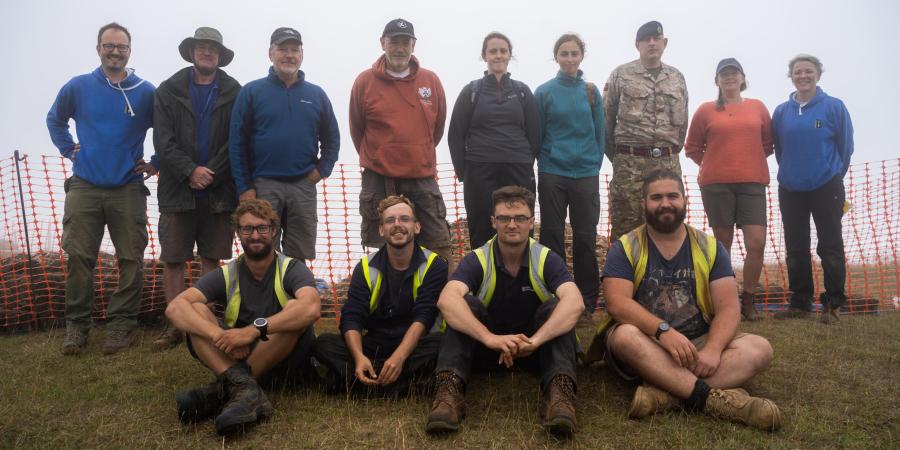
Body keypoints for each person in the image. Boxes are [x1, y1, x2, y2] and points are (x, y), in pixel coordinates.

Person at [588, 169, 782, 431]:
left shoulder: (709, 246)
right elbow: (617, 304)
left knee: (760, 349)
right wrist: (663, 332)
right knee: (624, 336)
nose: (665, 203)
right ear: (644, 203)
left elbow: (728, 309)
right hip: (648, 342)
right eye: (656, 197)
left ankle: (665, 396)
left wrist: (713, 350)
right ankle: (712, 400)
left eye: (672, 196)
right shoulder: (625, 247)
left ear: (684, 200)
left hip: (698, 343)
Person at [425, 186, 583, 435]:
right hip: (488, 350)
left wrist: (535, 341)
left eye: (520, 218)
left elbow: (575, 302)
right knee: (465, 304)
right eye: (504, 218)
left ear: (531, 223)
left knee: (557, 307)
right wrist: (490, 338)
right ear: (493, 222)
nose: (512, 224)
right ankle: (447, 395)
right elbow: (447, 299)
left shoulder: (546, 258)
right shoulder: (478, 258)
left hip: (536, 350)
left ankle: (560, 397)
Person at [47, 22, 158, 356]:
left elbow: (168, 130)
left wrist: (156, 162)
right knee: (80, 257)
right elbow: (55, 119)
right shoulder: (78, 87)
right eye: (109, 46)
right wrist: (68, 148)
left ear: (129, 51)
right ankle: (76, 328)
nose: (115, 51)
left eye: (121, 46)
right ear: (98, 49)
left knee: (131, 259)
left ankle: (122, 326)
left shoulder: (145, 91)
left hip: (127, 187)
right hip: (84, 185)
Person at [165, 199, 321, 436]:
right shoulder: (228, 272)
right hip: (237, 354)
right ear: (238, 233)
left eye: (262, 228)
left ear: (273, 230)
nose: (255, 235)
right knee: (194, 311)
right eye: (247, 229)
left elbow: (311, 308)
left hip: (284, 360)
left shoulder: (291, 268)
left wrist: (252, 331)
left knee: (293, 311)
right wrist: (220, 336)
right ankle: (245, 390)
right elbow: (175, 308)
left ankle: (224, 390)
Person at [152, 27, 242, 350]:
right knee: (174, 258)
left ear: (220, 56)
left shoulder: (235, 91)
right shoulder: (167, 90)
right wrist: (190, 170)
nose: (206, 53)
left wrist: (210, 173)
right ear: (192, 53)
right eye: (201, 48)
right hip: (177, 188)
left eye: (212, 49)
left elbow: (236, 140)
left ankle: (205, 323)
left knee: (211, 258)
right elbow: (162, 141)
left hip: (218, 192)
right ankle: (175, 325)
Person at [313, 195, 447, 394]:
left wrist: (399, 357)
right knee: (324, 344)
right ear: (381, 229)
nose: (397, 225)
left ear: (417, 227)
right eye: (390, 220)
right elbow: (352, 316)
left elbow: (424, 315)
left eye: (404, 219)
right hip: (376, 345)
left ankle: (362, 384)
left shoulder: (434, 264)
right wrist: (358, 357)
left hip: (416, 344)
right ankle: (404, 384)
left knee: (445, 344)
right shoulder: (365, 267)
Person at [229, 27, 340, 261]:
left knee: (300, 253)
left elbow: (332, 138)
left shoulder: (316, 94)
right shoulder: (252, 91)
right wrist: (244, 187)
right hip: (263, 186)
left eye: (294, 50)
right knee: (262, 248)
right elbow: (236, 143)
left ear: (301, 54)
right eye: (282, 49)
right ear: (271, 53)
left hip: (303, 185)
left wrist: (320, 171)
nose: (289, 55)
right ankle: (265, 298)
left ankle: (296, 297)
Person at [349, 18, 452, 265]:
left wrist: (417, 152)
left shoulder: (431, 81)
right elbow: (357, 129)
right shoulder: (364, 81)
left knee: (439, 242)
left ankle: (443, 300)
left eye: (405, 42)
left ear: (413, 45)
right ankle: (386, 301)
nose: (399, 48)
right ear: (382, 43)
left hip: (422, 175)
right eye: (394, 42)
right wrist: (379, 155)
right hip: (379, 177)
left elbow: (436, 129)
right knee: (383, 243)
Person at [684, 58, 773, 322]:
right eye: (724, 74)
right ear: (717, 81)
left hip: (752, 183)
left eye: (734, 74)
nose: (730, 78)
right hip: (716, 185)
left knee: (756, 242)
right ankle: (724, 300)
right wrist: (715, 165)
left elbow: (768, 144)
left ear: (743, 78)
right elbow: (692, 148)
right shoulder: (705, 110)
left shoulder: (758, 107)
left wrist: (746, 162)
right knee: (722, 244)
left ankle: (749, 302)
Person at [771, 54, 853, 324]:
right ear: (791, 76)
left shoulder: (834, 107)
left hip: (826, 185)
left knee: (829, 245)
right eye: (797, 72)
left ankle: (834, 305)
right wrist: (793, 173)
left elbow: (845, 147)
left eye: (808, 71)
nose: (803, 76)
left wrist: (832, 175)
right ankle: (800, 302)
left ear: (818, 74)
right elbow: (781, 151)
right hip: (791, 187)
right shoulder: (782, 112)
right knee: (795, 247)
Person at [448, 31, 540, 250]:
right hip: (480, 169)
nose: (498, 56)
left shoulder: (522, 91)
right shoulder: (471, 91)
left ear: (509, 55)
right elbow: (455, 135)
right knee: (481, 226)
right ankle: (483, 280)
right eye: (493, 51)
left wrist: (525, 161)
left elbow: (535, 133)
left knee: (520, 224)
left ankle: (525, 279)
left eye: (503, 51)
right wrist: (465, 172)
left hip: (518, 168)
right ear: (484, 55)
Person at [534, 33, 604, 317]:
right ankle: (557, 295)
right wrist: (547, 159)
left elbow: (600, 133)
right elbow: (537, 134)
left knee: (585, 237)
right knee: (552, 235)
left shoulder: (591, 91)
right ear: (556, 57)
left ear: (581, 57)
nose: (570, 59)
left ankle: (587, 303)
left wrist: (593, 164)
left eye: (574, 54)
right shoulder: (544, 92)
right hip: (552, 172)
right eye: (564, 54)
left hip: (586, 173)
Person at [604, 20, 689, 241]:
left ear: (664, 43)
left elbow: (682, 126)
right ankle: (623, 276)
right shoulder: (621, 75)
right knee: (626, 230)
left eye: (656, 39)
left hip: (667, 164)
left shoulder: (677, 78)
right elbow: (606, 120)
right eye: (646, 39)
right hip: (629, 165)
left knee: (667, 225)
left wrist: (668, 150)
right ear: (637, 45)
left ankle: (666, 275)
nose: (652, 43)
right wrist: (621, 156)